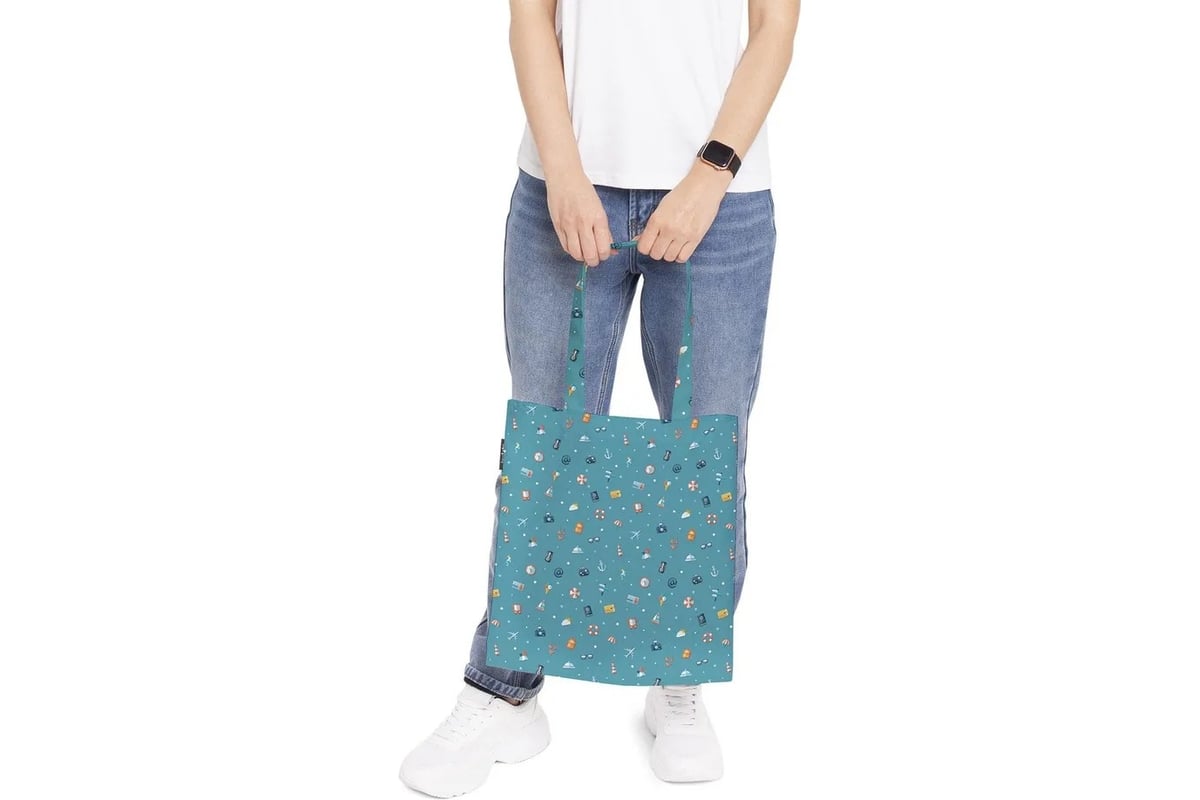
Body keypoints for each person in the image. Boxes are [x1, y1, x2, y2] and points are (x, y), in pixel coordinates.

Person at [400, 1, 800, 795]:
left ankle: (678, 679)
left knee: (706, 455)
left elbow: (775, 29)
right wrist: (563, 173)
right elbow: (530, 19)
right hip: (564, 189)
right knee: (543, 450)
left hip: (720, 203)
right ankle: (506, 690)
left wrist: (708, 176)